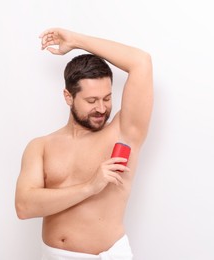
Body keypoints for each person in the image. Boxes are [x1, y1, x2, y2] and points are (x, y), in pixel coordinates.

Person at [15, 27, 153, 260]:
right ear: (68, 97)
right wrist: (91, 186)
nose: (101, 109)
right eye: (91, 100)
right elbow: (24, 207)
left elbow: (141, 62)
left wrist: (77, 40)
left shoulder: (123, 132)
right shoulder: (41, 146)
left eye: (107, 98)